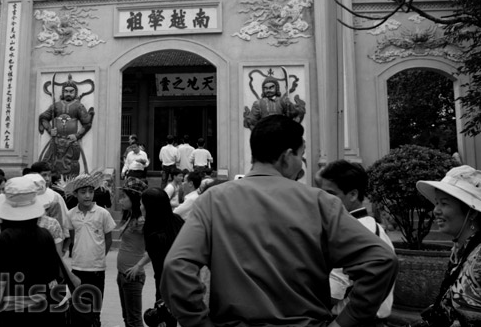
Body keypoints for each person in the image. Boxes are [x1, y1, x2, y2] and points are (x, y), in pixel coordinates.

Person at [161, 114, 398, 327]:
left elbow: (176, 268)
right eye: (301, 155)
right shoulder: (320, 202)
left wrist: (199, 323)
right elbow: (382, 261)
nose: (301, 163)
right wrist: (348, 321)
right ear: (287, 157)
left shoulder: (213, 200)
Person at [0, 175, 81, 327]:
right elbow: (52, 275)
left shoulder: (5, 239)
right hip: (43, 311)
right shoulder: (45, 235)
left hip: (14, 313)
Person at [315, 160, 395, 324]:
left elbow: (333, 293)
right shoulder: (372, 227)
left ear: (352, 194)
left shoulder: (352, 232)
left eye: (330, 194)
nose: (323, 200)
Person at [415, 165, 481, 326]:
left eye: (444, 204)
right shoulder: (460, 249)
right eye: (436, 203)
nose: (435, 211)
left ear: (471, 212)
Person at [65, 171, 116, 327]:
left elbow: (108, 239)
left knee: (95, 307)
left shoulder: (103, 214)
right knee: (78, 307)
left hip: (96, 269)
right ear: (76, 194)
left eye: (90, 191)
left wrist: (99, 255)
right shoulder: (71, 214)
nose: (87, 195)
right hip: (77, 267)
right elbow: (72, 238)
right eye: (83, 192)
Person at [142, 187, 184, 326]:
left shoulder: (154, 235)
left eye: (143, 203)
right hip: (183, 285)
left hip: (165, 289)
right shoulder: (176, 220)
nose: (140, 207)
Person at [38, 75, 95, 178]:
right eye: (66, 91)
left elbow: (87, 123)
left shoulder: (78, 106)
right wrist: (50, 130)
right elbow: (43, 118)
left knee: (71, 166)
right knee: (50, 164)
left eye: (71, 91)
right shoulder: (56, 105)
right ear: (63, 92)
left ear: (75, 92)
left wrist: (77, 135)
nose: (68, 93)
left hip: (71, 142)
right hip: (56, 140)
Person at [117, 178, 151, 327]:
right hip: (122, 274)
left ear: (135, 199)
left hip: (133, 276)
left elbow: (155, 247)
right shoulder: (131, 216)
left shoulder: (142, 221)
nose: (120, 200)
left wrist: (139, 265)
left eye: (124, 196)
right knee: (128, 317)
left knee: (134, 320)